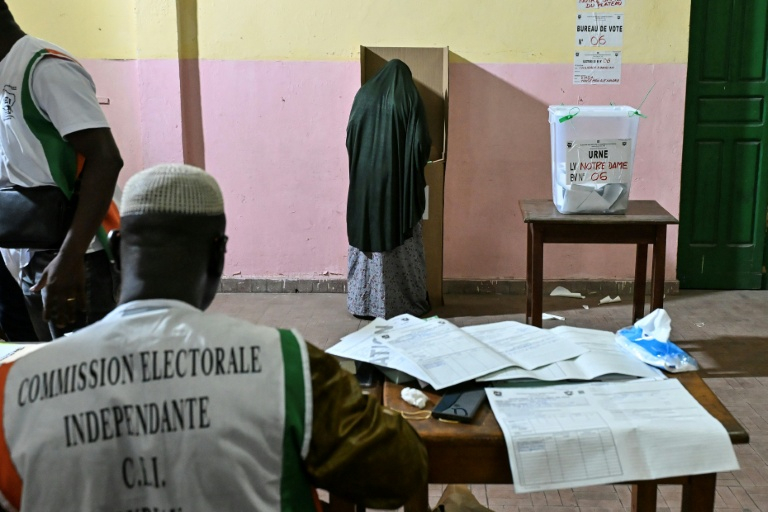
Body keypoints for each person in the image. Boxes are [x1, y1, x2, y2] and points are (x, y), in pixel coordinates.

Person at [0, 164, 428, 511]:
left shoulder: (15, 388)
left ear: (116, 248)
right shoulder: (286, 365)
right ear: (218, 254)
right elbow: (397, 472)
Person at [0, 0, 123, 340]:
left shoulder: (44, 67)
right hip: (26, 248)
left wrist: (70, 258)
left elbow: (105, 159)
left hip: (76, 254)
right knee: (41, 363)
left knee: (84, 365)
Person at [345, 58, 432, 320]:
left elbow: (350, 136)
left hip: (364, 183)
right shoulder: (408, 97)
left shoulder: (363, 95)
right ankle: (400, 304)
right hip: (396, 184)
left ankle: (362, 304)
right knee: (399, 240)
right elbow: (421, 143)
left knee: (367, 234)